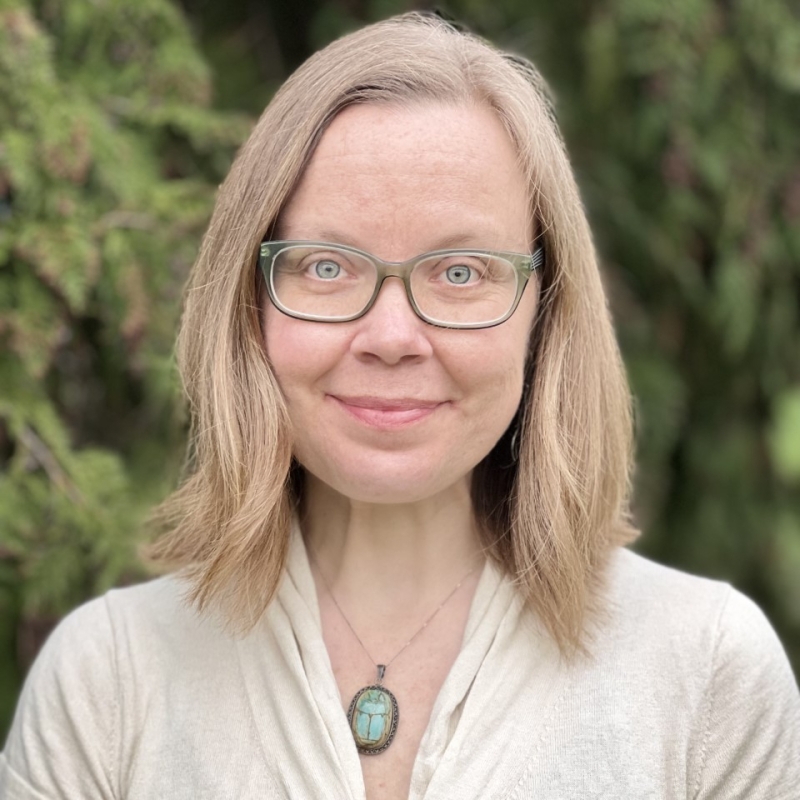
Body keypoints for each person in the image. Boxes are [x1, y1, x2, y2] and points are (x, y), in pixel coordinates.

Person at [1, 12, 799, 800]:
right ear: (248, 302)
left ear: (544, 312)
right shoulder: (107, 684)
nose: (391, 336)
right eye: (325, 267)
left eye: (460, 273)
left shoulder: (706, 675)